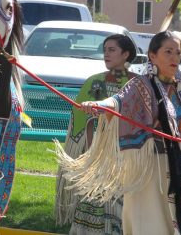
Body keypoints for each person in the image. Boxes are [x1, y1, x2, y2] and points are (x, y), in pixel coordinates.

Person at [56, 30, 181, 235]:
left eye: (178, 53)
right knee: (149, 226)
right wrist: (98, 105)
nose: (175, 58)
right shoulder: (140, 85)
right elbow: (118, 101)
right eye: (168, 51)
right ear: (152, 56)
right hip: (150, 174)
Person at [55, 34, 138, 234]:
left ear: (126, 54)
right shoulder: (94, 82)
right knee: (92, 197)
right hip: (94, 153)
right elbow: (79, 120)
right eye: (105, 50)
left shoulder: (137, 84)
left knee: (120, 202)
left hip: (124, 154)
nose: (106, 54)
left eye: (112, 50)